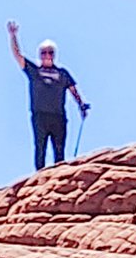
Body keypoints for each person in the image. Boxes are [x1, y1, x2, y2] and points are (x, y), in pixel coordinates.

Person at [7, 21, 89, 170]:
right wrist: (13, 36)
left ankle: (59, 177)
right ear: (40, 55)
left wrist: (81, 105)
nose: (47, 55)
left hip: (58, 117)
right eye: (44, 52)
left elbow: (73, 90)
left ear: (54, 55)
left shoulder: (62, 73)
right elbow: (18, 56)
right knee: (40, 148)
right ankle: (39, 179)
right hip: (40, 116)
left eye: (50, 52)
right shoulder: (34, 71)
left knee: (59, 150)